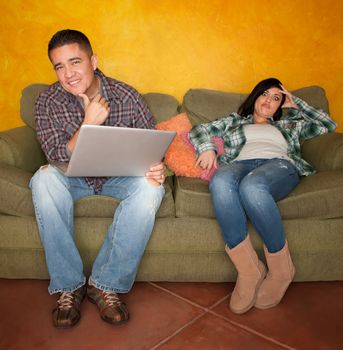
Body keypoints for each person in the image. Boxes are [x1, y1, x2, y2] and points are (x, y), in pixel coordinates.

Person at [30, 29, 166, 328]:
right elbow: (54, 153)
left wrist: (157, 168)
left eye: (75, 62)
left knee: (151, 188)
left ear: (93, 60)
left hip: (119, 177)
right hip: (71, 178)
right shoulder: (47, 101)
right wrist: (88, 124)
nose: (68, 73)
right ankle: (69, 286)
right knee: (43, 180)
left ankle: (105, 284)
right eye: (59, 66)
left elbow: (154, 146)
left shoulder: (126, 95)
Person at [189, 78, 337, 314]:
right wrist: (207, 148)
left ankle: (281, 270)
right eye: (265, 94)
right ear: (255, 97)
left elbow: (328, 124)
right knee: (220, 180)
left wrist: (295, 103)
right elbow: (199, 129)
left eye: (276, 98)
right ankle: (250, 270)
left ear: (281, 105)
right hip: (238, 165)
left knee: (252, 187)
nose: (268, 101)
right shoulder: (235, 121)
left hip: (277, 166)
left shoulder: (290, 123)